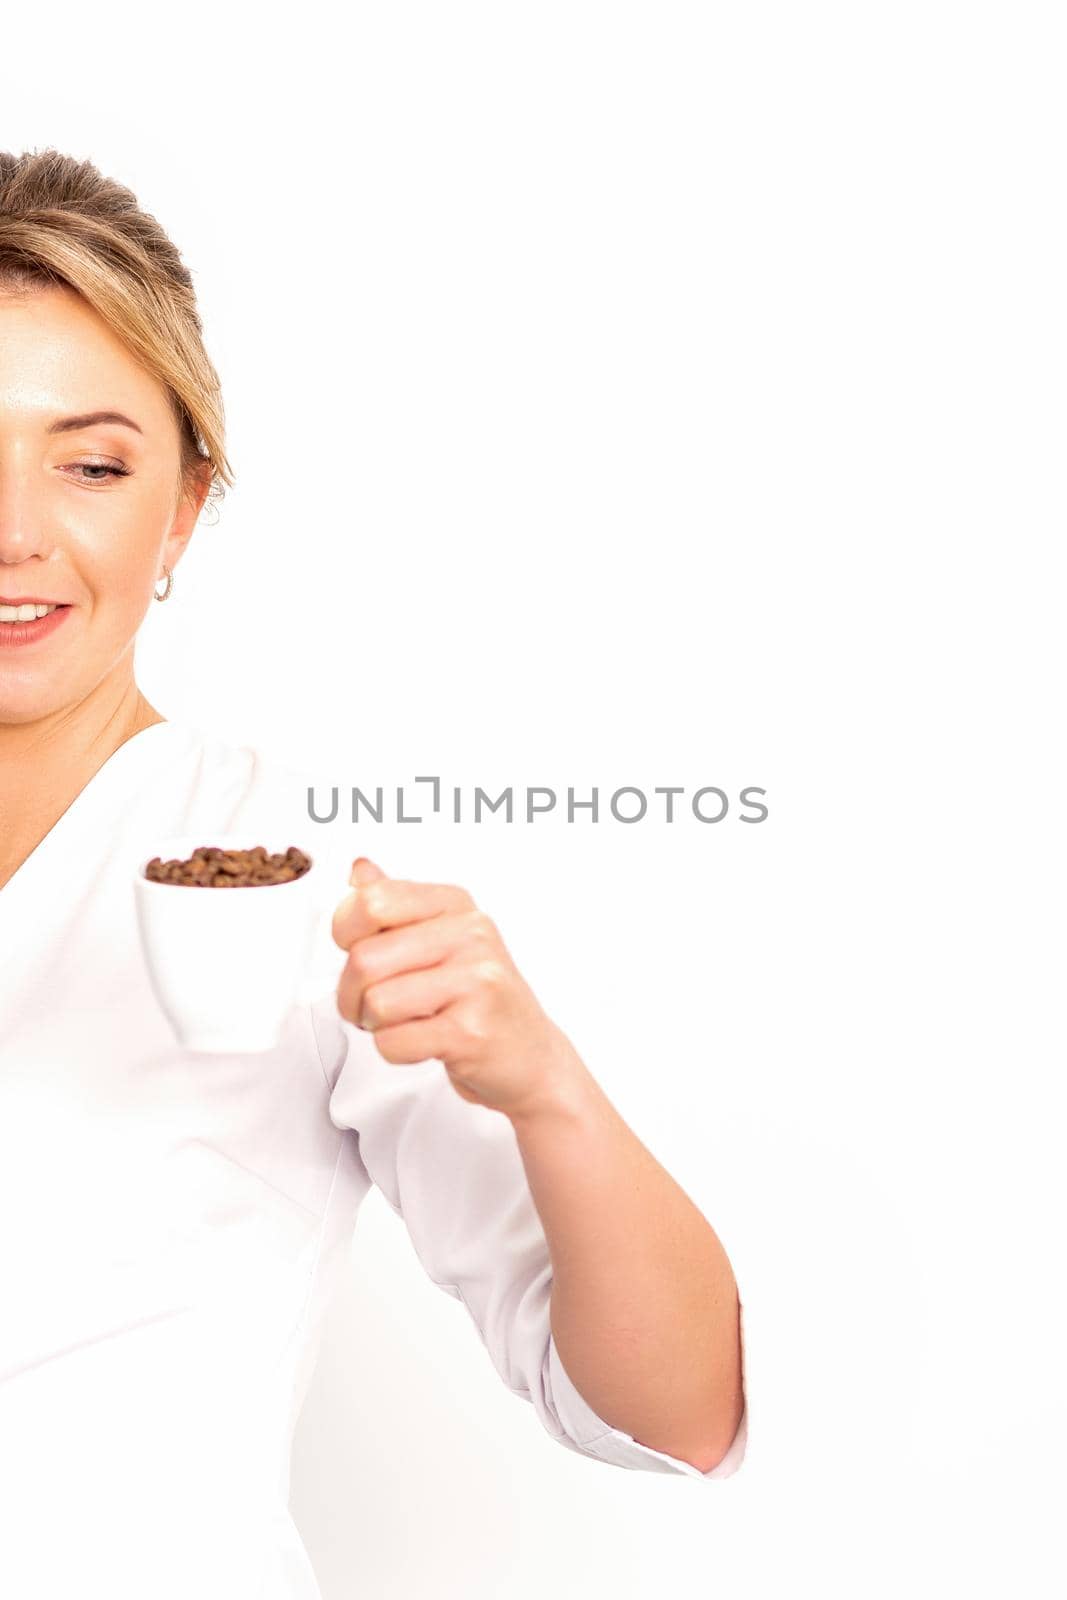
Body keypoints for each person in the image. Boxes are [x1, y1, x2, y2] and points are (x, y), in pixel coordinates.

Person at [0, 148, 747, 1599]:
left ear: (181, 513)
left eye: (90, 464)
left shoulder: (291, 900)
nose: (15, 532)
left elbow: (678, 1414)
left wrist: (545, 1084)